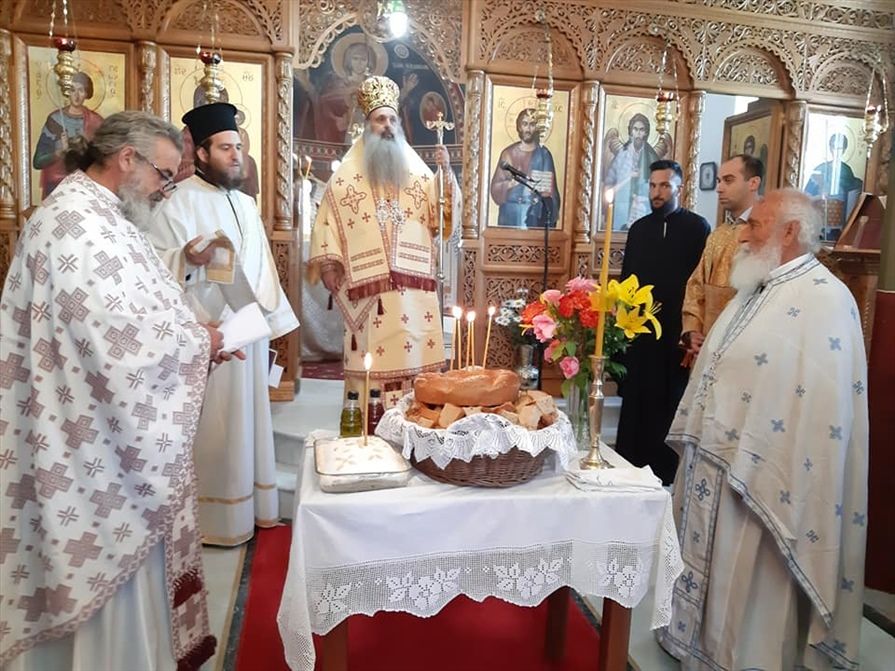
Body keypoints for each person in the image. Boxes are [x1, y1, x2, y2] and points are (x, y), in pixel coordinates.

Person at [1, 110, 233, 670]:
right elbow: (107, 333)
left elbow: (136, 307)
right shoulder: (75, 223)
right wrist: (197, 342)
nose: (164, 189)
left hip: (98, 432)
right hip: (87, 450)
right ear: (127, 159)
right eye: (163, 174)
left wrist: (194, 332)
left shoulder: (101, 214)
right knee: (103, 571)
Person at [657, 189, 867, 670]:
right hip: (716, 458)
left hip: (766, 478)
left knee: (751, 577)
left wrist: (755, 449)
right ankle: (693, 643)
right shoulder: (756, 287)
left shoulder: (825, 300)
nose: (742, 236)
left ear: (789, 231)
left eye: (755, 225)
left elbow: (821, 408)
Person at [142, 102, 299, 546]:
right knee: (214, 430)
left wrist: (267, 322)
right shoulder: (176, 203)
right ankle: (212, 522)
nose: (236, 156)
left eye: (239, 148)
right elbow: (153, 266)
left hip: (246, 330)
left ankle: (253, 508)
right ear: (202, 153)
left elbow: (261, 267)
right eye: (226, 148)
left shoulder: (246, 204)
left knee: (246, 427)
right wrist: (186, 260)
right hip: (206, 336)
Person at [309, 75, 460, 408]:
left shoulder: (418, 171)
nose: (388, 126)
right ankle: (368, 422)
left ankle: (416, 420)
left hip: (413, 290)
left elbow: (442, 215)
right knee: (372, 360)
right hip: (369, 289)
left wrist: (446, 174)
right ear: (367, 125)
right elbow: (328, 219)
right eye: (380, 119)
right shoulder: (346, 175)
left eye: (392, 119)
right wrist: (330, 264)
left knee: (415, 356)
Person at [615, 160, 709, 484]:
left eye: (665, 186)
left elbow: (700, 282)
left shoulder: (697, 228)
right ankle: (630, 464)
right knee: (638, 396)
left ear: (679, 188)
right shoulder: (639, 229)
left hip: (676, 330)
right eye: (653, 186)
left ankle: (665, 469)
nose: (657, 192)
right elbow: (627, 280)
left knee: (671, 398)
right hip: (641, 328)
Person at [681, 154, 763, 362]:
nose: (719, 188)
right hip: (706, 346)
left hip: (744, 348)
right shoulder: (718, 234)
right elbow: (696, 285)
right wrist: (692, 330)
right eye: (719, 181)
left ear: (753, 183)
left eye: (728, 180)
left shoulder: (765, 234)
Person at [32, 71, 105, 199]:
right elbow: (38, 161)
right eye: (72, 90)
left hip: (86, 189)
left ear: (87, 93)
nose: (76, 95)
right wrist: (59, 152)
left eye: (81, 90)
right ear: (67, 92)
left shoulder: (96, 122)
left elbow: (104, 161)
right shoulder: (55, 120)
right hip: (57, 187)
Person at [489, 108, 560, 228]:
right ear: (519, 127)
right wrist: (510, 184)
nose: (528, 129)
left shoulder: (544, 155)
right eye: (525, 124)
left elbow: (552, 193)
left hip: (534, 217)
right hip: (510, 216)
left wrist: (544, 194)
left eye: (532, 124)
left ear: (537, 128)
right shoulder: (508, 153)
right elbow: (495, 188)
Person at [603, 113, 672, 230]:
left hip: (643, 208)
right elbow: (609, 183)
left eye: (641, 130)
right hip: (622, 206)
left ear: (646, 133)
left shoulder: (651, 155)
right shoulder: (621, 155)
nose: (638, 134)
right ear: (631, 131)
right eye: (635, 129)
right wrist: (627, 177)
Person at [804, 132, 863, 233]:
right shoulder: (820, 168)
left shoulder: (846, 170)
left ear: (844, 150)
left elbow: (852, 190)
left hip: (839, 216)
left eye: (840, 148)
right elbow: (808, 193)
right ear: (830, 148)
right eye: (834, 147)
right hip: (820, 215)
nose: (837, 151)